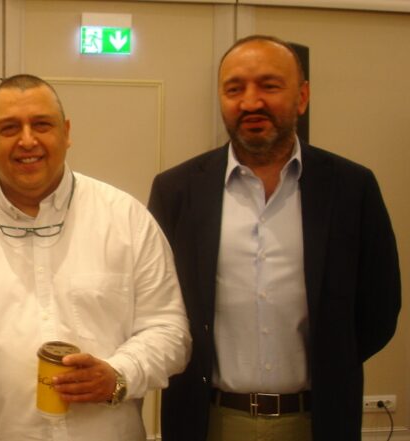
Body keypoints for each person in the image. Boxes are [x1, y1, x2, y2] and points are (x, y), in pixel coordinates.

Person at [148, 35, 401, 441]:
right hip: (207, 420)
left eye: (269, 85)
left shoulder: (352, 188)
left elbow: (380, 307)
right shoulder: (176, 190)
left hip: (317, 422)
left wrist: (332, 363)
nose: (250, 102)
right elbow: (155, 304)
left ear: (302, 97)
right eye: (234, 89)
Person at [0, 74, 191, 441]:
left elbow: (170, 332)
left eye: (42, 125)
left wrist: (119, 373)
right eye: (9, 128)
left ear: (66, 132)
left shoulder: (127, 220)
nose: (27, 140)